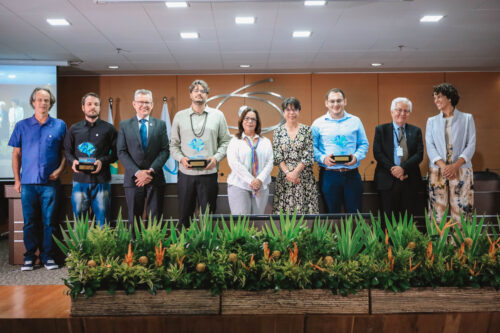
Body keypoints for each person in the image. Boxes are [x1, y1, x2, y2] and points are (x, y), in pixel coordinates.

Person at [8, 88, 66, 271]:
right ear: (33, 102)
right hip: (28, 184)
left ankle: (48, 257)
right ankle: (30, 257)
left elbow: (65, 153)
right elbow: (16, 154)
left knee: (50, 222)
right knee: (30, 222)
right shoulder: (21, 125)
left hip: (50, 183)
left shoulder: (59, 125)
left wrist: (59, 170)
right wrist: (17, 180)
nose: (43, 103)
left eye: (47, 100)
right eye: (40, 99)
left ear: (51, 103)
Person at [170, 80, 231, 227]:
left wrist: (216, 158)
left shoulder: (218, 115)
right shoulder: (179, 116)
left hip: (209, 175)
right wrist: (181, 159)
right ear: (190, 94)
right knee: (185, 216)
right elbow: (173, 145)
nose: (199, 93)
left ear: (207, 95)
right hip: (186, 175)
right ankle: (184, 248)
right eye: (196, 90)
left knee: (208, 217)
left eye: (202, 91)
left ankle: (206, 247)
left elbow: (226, 142)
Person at [64, 92, 118, 227]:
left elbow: (116, 154)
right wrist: (73, 162)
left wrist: (102, 161)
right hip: (79, 181)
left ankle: (102, 249)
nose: (92, 107)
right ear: (83, 107)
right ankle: (80, 248)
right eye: (89, 104)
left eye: (96, 104)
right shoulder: (74, 129)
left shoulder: (109, 129)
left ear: (100, 107)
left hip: (102, 182)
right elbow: (67, 151)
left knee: (103, 222)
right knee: (80, 223)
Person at [312, 88, 369, 214]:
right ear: (326, 103)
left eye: (339, 101)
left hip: (352, 175)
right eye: (332, 101)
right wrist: (323, 159)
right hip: (329, 175)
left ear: (345, 102)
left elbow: (364, 144)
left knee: (355, 215)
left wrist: (356, 157)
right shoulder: (318, 123)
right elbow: (312, 148)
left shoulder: (356, 121)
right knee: (332, 214)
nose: (335, 104)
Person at [117, 89, 169, 227]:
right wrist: (138, 172)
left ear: (152, 105)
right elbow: (121, 151)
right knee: (134, 219)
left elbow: (165, 150)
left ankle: (155, 248)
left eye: (147, 102)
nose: (144, 105)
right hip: (133, 179)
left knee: (155, 219)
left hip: (155, 178)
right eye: (141, 102)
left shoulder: (160, 125)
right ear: (134, 104)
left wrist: (150, 171)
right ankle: (134, 247)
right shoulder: (124, 125)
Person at [426, 83, 476, 223]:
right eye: (434, 97)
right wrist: (444, 166)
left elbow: (471, 144)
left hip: (461, 169)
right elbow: (430, 146)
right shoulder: (431, 121)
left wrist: (454, 166)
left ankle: (461, 244)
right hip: (438, 170)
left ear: (449, 98)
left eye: (439, 97)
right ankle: (437, 245)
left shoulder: (467, 119)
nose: (436, 100)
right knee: (437, 212)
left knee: (462, 211)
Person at [373, 97, 424, 219]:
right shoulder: (381, 130)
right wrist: (394, 169)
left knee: (407, 219)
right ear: (391, 111)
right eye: (399, 110)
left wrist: (403, 169)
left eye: (406, 111)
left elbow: (419, 154)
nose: (402, 113)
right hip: (387, 180)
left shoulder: (415, 131)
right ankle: (387, 239)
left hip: (409, 179)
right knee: (388, 219)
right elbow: (378, 153)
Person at [273, 97, 319, 214]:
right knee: (285, 218)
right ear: (283, 112)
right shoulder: (278, 132)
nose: (291, 113)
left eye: (294, 109)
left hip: (304, 179)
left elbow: (308, 154)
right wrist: (289, 173)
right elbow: (277, 156)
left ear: (299, 111)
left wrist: (295, 173)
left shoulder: (307, 130)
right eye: (288, 110)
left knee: (306, 216)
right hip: (285, 180)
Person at [226, 107, 273, 215]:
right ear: (242, 121)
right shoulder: (235, 141)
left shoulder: (265, 142)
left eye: (253, 119)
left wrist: (259, 180)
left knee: (257, 222)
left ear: (257, 122)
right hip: (239, 185)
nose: (250, 121)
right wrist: (252, 180)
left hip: (261, 186)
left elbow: (269, 162)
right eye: (246, 118)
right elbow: (234, 163)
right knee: (241, 223)